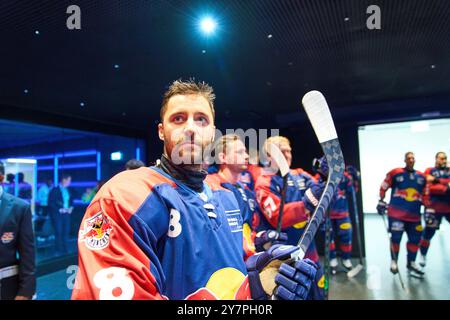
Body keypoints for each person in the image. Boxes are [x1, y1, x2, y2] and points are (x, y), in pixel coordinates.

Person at [72, 79, 324, 300]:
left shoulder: (227, 198)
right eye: (178, 118)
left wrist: (267, 267)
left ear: (212, 133)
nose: (190, 128)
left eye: (201, 119)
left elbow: (240, 260)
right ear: (161, 131)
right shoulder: (124, 195)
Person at [206, 134, 287, 259]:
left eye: (245, 152)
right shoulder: (208, 186)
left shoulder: (247, 191)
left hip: (247, 264)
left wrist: (262, 239)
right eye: (239, 152)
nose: (247, 156)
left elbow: (249, 231)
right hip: (223, 262)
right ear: (223, 157)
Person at [255, 136, 322, 263]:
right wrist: (306, 205)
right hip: (284, 255)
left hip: (309, 248)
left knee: (319, 282)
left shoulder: (299, 173)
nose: (287, 155)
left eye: (288, 151)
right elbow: (277, 217)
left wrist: (325, 178)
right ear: (269, 156)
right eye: (281, 151)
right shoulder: (264, 182)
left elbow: (321, 191)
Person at [377, 152, 428, 278]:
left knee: (415, 240)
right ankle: (394, 261)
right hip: (396, 215)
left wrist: (429, 209)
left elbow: (426, 195)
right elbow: (384, 186)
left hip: (414, 216)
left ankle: (411, 262)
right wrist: (381, 200)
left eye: (413, 158)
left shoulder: (422, 177)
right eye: (409, 158)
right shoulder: (395, 173)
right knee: (395, 239)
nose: (411, 160)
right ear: (405, 160)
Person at [0, 161, 36, 300]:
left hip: (6, 286)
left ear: (1, 178)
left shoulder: (20, 208)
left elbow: (27, 252)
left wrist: (26, 291)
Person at [418, 152, 450, 267]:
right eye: (442, 158)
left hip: (448, 207)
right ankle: (423, 254)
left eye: (445, 158)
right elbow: (429, 186)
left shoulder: (449, 170)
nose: (444, 160)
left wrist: (437, 181)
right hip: (433, 208)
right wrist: (445, 187)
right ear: (436, 159)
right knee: (428, 232)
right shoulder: (429, 170)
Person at [327, 169, 354, 271]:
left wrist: (354, 180)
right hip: (327, 214)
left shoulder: (345, 176)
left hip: (342, 213)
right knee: (329, 237)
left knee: (346, 235)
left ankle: (346, 258)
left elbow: (352, 191)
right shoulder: (321, 175)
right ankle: (332, 259)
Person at [48, 174, 73, 255]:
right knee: (58, 232)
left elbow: (71, 201)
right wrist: (59, 209)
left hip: (66, 214)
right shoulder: (55, 190)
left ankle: (65, 250)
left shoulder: (68, 190)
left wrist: (71, 208)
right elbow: (51, 203)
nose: (70, 182)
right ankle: (58, 250)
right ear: (64, 180)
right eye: (69, 180)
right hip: (58, 215)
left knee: (66, 232)